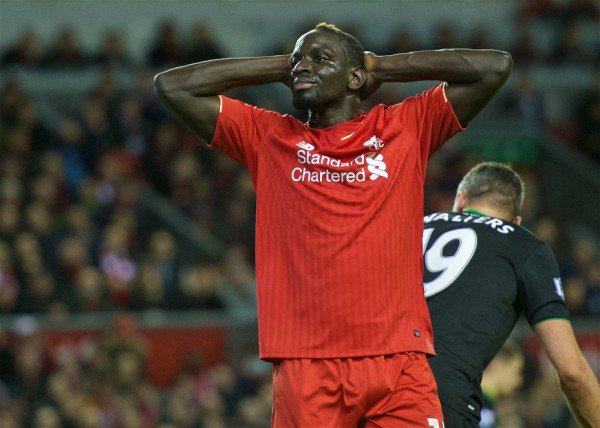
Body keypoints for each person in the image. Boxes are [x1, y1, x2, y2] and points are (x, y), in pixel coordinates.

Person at [154, 22, 512, 427]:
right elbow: (173, 86)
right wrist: (282, 65)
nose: (304, 66)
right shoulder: (268, 137)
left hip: (398, 362)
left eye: (320, 59)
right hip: (306, 365)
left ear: (355, 77)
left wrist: (382, 65)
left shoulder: (405, 127)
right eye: (299, 59)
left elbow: (494, 67)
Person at [423, 162, 600, 428]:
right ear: (517, 221)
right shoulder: (524, 244)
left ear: (460, 201)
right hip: (439, 398)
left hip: (364, 384)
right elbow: (573, 372)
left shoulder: (415, 226)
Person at [479, 341, 525, 428]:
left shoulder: (486, 404)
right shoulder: (479, 404)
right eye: (517, 371)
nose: (519, 381)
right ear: (498, 364)